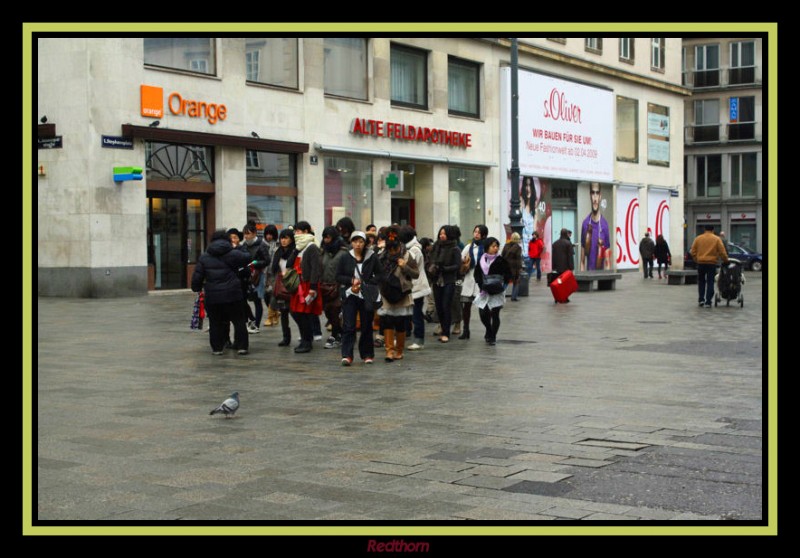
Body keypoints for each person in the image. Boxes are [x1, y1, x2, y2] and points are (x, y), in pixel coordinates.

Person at [191, 229, 252, 355]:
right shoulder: (233, 253)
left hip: (213, 296)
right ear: (227, 241)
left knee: (215, 322)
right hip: (233, 294)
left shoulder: (204, 257)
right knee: (239, 321)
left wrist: (196, 288)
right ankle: (242, 347)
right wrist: (239, 248)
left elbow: (197, 277)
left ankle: (217, 348)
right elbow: (248, 258)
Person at [336, 231, 382, 366]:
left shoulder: (371, 256)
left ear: (365, 243)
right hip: (350, 294)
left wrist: (368, 283)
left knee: (366, 325)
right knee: (349, 325)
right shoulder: (345, 257)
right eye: (355, 241)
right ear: (351, 242)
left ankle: (367, 354)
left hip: (366, 295)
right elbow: (338, 276)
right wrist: (351, 280)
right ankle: (347, 355)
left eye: (361, 241)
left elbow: (380, 274)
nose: (358, 244)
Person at [376, 225, 419, 362]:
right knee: (387, 321)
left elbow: (416, 274)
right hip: (386, 292)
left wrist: (404, 266)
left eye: (395, 249)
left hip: (402, 292)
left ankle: (399, 351)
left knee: (400, 322)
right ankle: (389, 351)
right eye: (390, 249)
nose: (393, 252)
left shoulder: (407, 255)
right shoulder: (381, 256)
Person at [290, 221, 324, 353]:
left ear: (305, 232)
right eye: (295, 231)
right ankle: (306, 338)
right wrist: (296, 250)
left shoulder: (312, 247)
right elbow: (289, 262)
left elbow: (316, 268)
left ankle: (307, 341)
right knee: (295, 312)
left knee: (303, 313)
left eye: (298, 231)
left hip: (308, 284)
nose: (296, 234)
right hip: (298, 284)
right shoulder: (299, 247)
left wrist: (313, 287)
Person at [474, 237, 512, 346]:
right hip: (484, 291)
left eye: (497, 246)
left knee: (495, 314)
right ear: (487, 247)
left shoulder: (501, 260)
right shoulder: (481, 260)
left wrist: (503, 285)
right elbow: (477, 274)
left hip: (497, 291)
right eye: (493, 246)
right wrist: (480, 284)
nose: (495, 249)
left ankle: (493, 336)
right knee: (483, 313)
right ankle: (488, 329)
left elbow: (508, 274)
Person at [428, 225, 462, 343]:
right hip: (437, 280)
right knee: (439, 307)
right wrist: (432, 267)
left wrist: (444, 268)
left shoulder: (455, 248)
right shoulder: (436, 247)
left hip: (449, 280)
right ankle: (443, 328)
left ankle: (446, 333)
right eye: (440, 233)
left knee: (445, 306)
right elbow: (430, 260)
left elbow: (457, 266)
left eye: (444, 233)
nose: (442, 236)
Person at [400, 225, 431, 351]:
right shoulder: (410, 248)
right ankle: (407, 335)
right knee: (409, 313)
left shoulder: (415, 250)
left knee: (416, 313)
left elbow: (410, 267)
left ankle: (419, 339)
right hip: (412, 286)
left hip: (417, 286)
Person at [457, 224, 488, 341]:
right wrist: (464, 262)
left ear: (484, 234)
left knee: (483, 309)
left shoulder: (487, 246)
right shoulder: (469, 247)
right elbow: (461, 259)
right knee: (466, 307)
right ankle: (466, 330)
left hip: (482, 281)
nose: (476, 234)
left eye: (479, 232)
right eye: (475, 232)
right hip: (469, 280)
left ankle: (488, 329)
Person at [320, 226, 349, 349]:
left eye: (328, 237)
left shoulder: (343, 252)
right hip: (325, 287)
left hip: (339, 286)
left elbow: (347, 270)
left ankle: (335, 335)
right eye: (324, 237)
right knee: (328, 312)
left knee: (335, 311)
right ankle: (341, 333)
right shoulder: (324, 251)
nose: (326, 240)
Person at [240, 221, 271, 333]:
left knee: (257, 300)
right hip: (246, 275)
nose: (246, 236)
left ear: (254, 233)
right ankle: (251, 319)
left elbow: (267, 260)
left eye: (248, 234)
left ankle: (256, 325)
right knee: (243, 299)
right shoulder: (244, 245)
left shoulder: (261, 245)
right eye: (244, 234)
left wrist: (255, 263)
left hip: (258, 275)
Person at [690, 225, 729, 307]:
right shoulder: (717, 239)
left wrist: (696, 259)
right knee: (710, 281)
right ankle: (708, 301)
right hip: (712, 263)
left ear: (704, 229)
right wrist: (726, 260)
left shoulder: (698, 238)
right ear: (713, 230)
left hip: (701, 263)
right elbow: (722, 251)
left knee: (701, 281)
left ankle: (701, 299)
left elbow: (692, 251)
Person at [270, 228, 297, 347]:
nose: (283, 241)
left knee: (295, 312)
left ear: (291, 239)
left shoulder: (295, 252)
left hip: (293, 285)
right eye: (282, 238)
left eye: (286, 238)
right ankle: (286, 337)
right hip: (281, 285)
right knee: (283, 312)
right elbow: (274, 269)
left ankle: (306, 334)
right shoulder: (278, 252)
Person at [580, 182, 611, 270]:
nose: (595, 198)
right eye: (593, 193)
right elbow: (582, 261)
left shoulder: (604, 225)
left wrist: (607, 280)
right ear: (590, 196)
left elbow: (607, 261)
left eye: (597, 193)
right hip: (589, 278)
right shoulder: (585, 224)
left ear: (600, 196)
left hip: (601, 279)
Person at [261, 224, 280, 327]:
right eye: (267, 234)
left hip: (275, 273)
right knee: (265, 295)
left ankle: (269, 316)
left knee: (273, 294)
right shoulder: (262, 244)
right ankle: (276, 313)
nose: (269, 236)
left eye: (271, 234)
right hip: (264, 273)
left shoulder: (278, 244)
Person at [502, 232, 524, 301]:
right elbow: (518, 259)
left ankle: (499, 295)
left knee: (506, 282)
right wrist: (520, 268)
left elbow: (502, 255)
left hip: (506, 267)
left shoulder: (506, 245)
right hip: (514, 268)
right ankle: (514, 297)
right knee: (516, 281)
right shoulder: (518, 247)